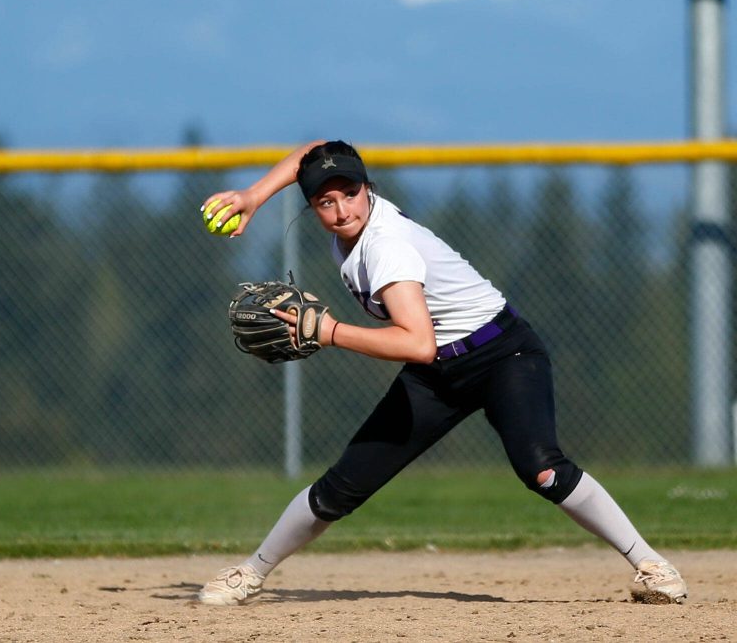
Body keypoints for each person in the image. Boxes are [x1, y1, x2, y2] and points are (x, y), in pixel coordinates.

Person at [197, 140, 687, 606]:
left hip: (501, 354)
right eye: (326, 201)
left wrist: (329, 331)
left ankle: (652, 565)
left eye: (351, 193)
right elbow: (314, 152)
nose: (343, 209)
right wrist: (254, 196)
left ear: (368, 188)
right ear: (312, 207)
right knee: (341, 486)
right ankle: (252, 571)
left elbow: (416, 342)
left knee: (542, 468)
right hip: (436, 374)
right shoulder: (354, 226)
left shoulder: (386, 247)